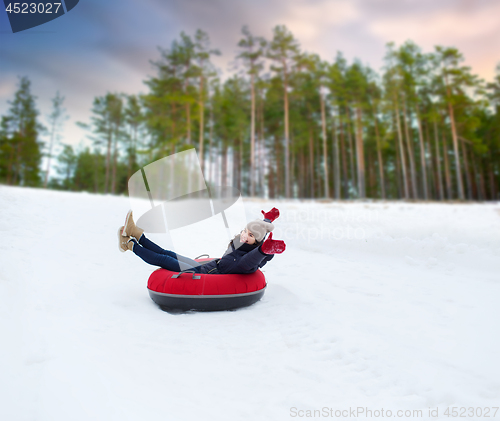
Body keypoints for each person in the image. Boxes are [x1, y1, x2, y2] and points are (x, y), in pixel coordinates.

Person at [118, 207, 286, 275]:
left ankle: (130, 245)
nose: (244, 236)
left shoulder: (248, 261)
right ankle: (137, 235)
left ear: (257, 243)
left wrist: (264, 251)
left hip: (204, 275)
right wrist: (268, 219)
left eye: (250, 236)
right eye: (245, 231)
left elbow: (251, 260)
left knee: (164, 260)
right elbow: (260, 230)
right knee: (168, 253)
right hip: (208, 266)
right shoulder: (244, 243)